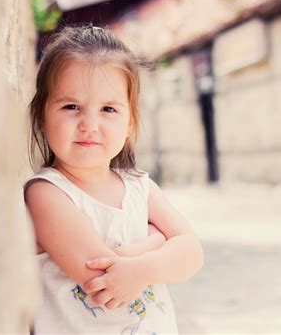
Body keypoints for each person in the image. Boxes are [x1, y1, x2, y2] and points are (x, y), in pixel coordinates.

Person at [23, 25, 204, 334]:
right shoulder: (47, 193)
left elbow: (193, 254)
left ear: (130, 120)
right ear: (41, 115)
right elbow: (103, 280)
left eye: (108, 109)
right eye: (71, 107)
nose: (89, 124)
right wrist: (160, 241)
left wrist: (143, 267)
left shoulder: (139, 187)